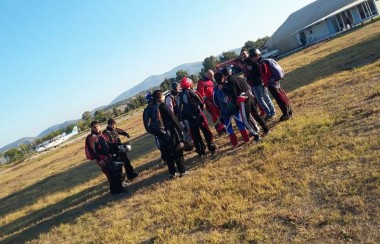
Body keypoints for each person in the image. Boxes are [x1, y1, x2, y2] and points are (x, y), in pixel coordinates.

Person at [143, 90, 187, 178]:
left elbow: (147, 125)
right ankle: (182, 171)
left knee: (168, 154)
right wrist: (180, 130)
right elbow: (172, 118)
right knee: (177, 151)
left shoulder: (148, 109)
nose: (164, 96)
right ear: (160, 97)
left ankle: (173, 173)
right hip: (169, 132)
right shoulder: (162, 105)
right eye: (163, 95)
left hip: (159, 135)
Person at [221, 67, 270, 142]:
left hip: (243, 100)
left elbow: (233, 94)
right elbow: (248, 87)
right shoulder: (238, 77)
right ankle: (265, 129)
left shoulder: (230, 81)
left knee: (245, 120)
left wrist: (223, 89)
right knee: (255, 114)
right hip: (250, 97)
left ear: (224, 75)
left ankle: (256, 136)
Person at [249, 48, 293, 121]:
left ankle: (286, 114)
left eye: (251, 57)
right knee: (282, 96)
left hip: (271, 83)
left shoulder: (262, 63)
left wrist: (265, 83)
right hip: (275, 81)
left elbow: (265, 75)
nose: (251, 59)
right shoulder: (265, 60)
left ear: (255, 56)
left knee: (279, 99)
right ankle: (289, 111)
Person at [177, 77, 216, 157]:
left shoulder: (179, 96)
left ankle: (201, 151)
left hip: (189, 119)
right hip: (198, 116)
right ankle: (211, 147)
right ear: (189, 84)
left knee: (195, 136)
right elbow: (201, 102)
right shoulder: (193, 92)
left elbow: (178, 109)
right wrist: (199, 111)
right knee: (206, 132)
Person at [85, 121, 125, 195]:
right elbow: (93, 151)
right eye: (94, 127)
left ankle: (115, 191)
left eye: (97, 126)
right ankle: (118, 191)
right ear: (91, 128)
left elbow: (108, 143)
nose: (96, 128)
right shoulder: (91, 137)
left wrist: (119, 144)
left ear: (100, 126)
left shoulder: (101, 135)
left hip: (108, 157)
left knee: (115, 172)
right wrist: (99, 160)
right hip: (102, 160)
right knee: (112, 175)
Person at [214, 72, 250, 146]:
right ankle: (246, 138)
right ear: (222, 77)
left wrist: (220, 107)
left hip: (224, 110)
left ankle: (234, 142)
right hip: (234, 107)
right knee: (240, 122)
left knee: (228, 126)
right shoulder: (228, 85)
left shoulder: (215, 90)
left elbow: (215, 102)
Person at [243, 51, 276, 121]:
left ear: (248, 54)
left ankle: (273, 112)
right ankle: (268, 113)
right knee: (259, 100)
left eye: (244, 53)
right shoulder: (246, 63)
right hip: (253, 85)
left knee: (266, 97)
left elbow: (259, 71)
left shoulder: (254, 61)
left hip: (260, 83)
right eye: (241, 54)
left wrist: (251, 68)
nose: (243, 55)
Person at [197, 70, 226, 134]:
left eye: (212, 76)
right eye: (211, 76)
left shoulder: (212, 80)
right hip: (210, 102)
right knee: (215, 115)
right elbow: (201, 94)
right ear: (207, 74)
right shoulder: (201, 82)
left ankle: (223, 126)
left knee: (220, 113)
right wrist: (207, 101)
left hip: (216, 100)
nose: (212, 77)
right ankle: (219, 130)